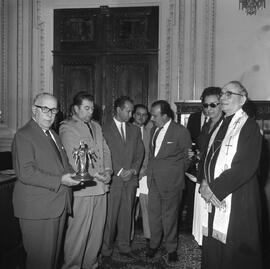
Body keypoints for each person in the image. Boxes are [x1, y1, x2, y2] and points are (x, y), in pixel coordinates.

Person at [12, 93, 79, 269]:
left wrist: (77, 174)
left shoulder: (53, 135)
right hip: (38, 209)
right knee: (40, 262)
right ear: (34, 110)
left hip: (57, 205)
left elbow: (63, 165)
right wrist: (60, 180)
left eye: (54, 110)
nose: (50, 114)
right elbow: (25, 173)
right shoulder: (24, 135)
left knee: (52, 260)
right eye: (45, 109)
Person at [200, 81, 263, 269]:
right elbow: (208, 158)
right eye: (222, 93)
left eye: (229, 94)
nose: (223, 97)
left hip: (237, 196)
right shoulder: (221, 124)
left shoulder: (249, 127)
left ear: (242, 99)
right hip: (214, 193)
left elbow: (245, 166)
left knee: (233, 251)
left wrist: (213, 189)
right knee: (214, 246)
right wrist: (204, 182)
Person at [59, 92, 112, 269]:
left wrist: (108, 170)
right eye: (86, 108)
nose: (90, 112)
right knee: (78, 233)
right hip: (83, 188)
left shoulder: (96, 126)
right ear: (75, 108)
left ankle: (91, 264)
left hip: (101, 186)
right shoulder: (67, 127)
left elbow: (105, 149)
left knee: (96, 232)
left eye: (92, 108)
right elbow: (74, 157)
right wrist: (96, 172)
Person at [146, 100, 192, 266]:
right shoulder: (153, 130)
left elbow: (187, 158)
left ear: (165, 116)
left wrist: (175, 173)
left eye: (154, 115)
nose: (151, 118)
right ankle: (154, 245)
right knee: (154, 216)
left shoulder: (180, 131)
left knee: (170, 218)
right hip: (154, 181)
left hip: (172, 183)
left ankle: (171, 249)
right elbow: (152, 155)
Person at [101, 96, 144, 259]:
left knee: (127, 216)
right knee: (110, 217)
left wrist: (133, 170)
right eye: (128, 111)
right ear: (118, 110)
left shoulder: (134, 130)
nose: (132, 114)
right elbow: (104, 153)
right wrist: (118, 171)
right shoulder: (103, 128)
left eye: (132, 111)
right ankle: (106, 249)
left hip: (130, 180)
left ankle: (124, 247)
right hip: (114, 180)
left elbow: (140, 152)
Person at [188, 87, 223, 245]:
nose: (208, 109)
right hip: (201, 173)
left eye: (213, 105)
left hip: (214, 176)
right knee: (202, 215)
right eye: (205, 105)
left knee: (214, 218)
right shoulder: (208, 124)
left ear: (221, 104)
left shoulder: (225, 124)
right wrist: (196, 155)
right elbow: (203, 147)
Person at [132, 104, 152, 241]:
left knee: (147, 207)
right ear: (133, 115)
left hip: (145, 174)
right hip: (131, 174)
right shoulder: (127, 130)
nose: (141, 117)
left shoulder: (149, 132)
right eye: (138, 114)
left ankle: (149, 237)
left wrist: (144, 169)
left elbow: (152, 154)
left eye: (144, 115)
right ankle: (128, 236)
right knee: (130, 207)